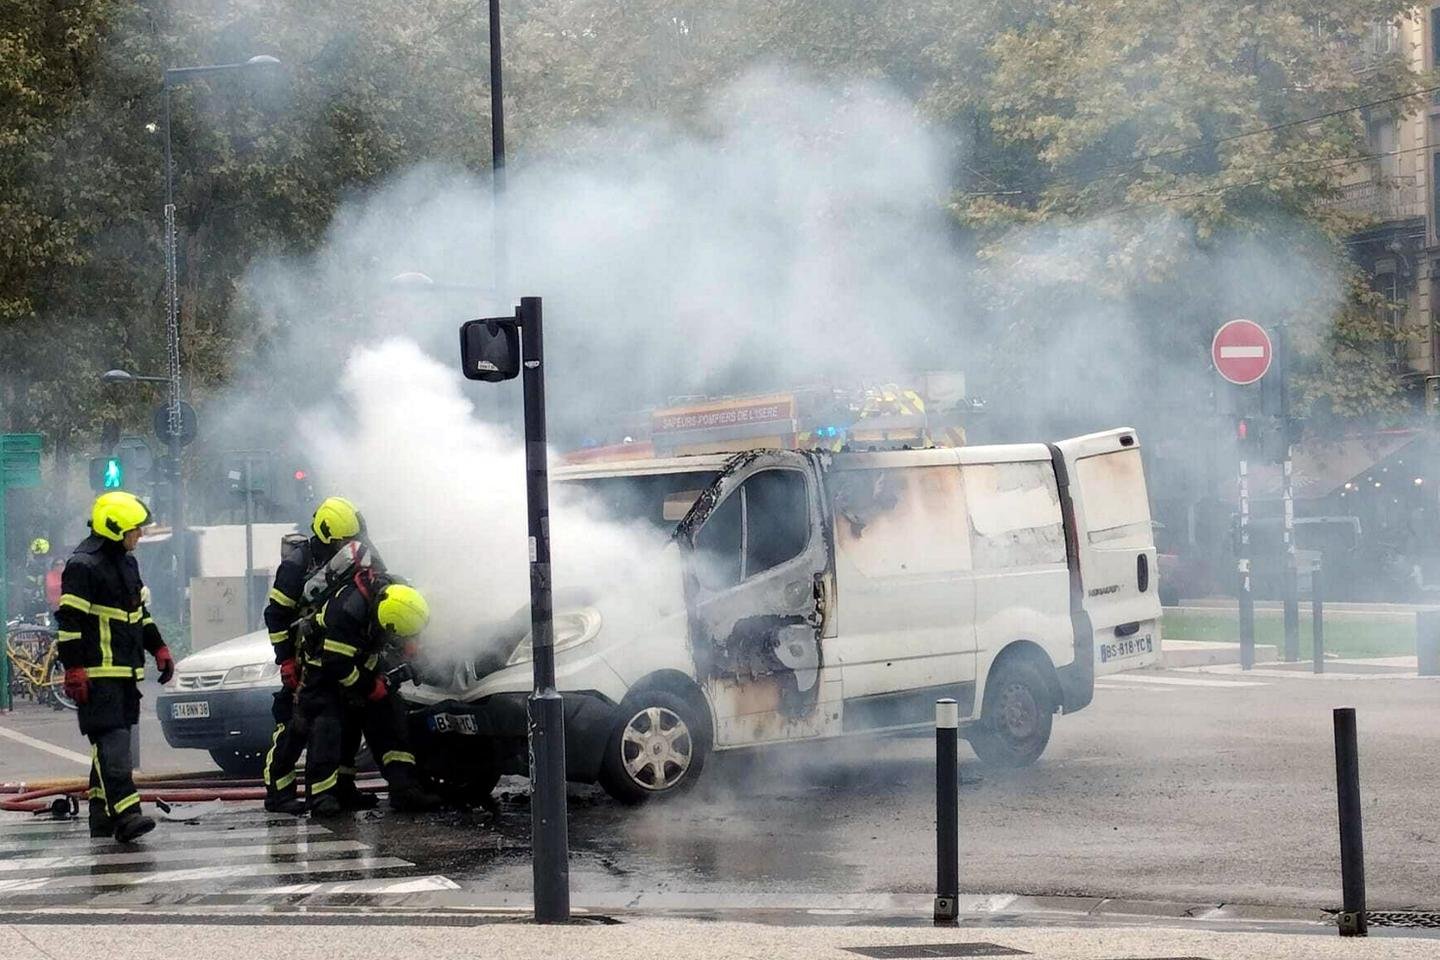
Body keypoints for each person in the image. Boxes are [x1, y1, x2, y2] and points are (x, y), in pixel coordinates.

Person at [54, 492, 175, 842]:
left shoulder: (126, 562)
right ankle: (126, 813)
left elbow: (138, 614)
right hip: (96, 673)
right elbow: (70, 622)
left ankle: (100, 814)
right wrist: (74, 669)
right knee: (113, 741)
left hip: (125, 671)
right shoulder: (82, 565)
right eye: (134, 530)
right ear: (115, 528)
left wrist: (159, 648)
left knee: (109, 743)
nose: (138, 535)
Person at [261, 496, 378, 815]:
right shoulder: (298, 563)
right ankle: (279, 793)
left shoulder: (357, 554)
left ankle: (340, 789)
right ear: (327, 534)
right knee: (292, 724)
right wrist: (285, 659)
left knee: (343, 722)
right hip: (303, 656)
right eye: (343, 540)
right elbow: (276, 614)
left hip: (339, 654)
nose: (349, 545)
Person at [300, 578, 441, 815]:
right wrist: (368, 688)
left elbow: (402, 630)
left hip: (362, 661)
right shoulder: (345, 612)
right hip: (324, 669)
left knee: (391, 718)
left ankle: (404, 790)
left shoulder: (399, 594)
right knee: (331, 727)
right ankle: (323, 797)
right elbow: (337, 664)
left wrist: (411, 646)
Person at [23, 538, 51, 621]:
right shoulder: (32, 566)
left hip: (40, 596)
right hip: (34, 596)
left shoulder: (42, 566)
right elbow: (31, 583)